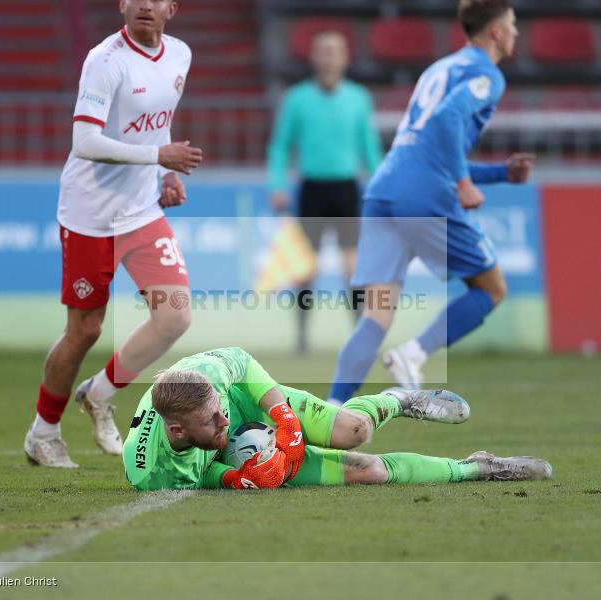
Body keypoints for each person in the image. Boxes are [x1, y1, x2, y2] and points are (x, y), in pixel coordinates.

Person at [24, 0, 203, 468]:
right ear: (122, 5)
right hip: (90, 215)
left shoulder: (180, 55)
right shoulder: (105, 60)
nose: (145, 4)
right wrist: (158, 158)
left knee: (174, 317)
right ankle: (43, 434)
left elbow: (156, 123)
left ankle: (99, 394)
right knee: (84, 331)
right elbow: (84, 141)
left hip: (141, 209)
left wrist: (162, 173)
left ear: (172, 9)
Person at [328, 0, 535, 403]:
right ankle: (414, 353)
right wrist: (461, 182)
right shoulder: (487, 75)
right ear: (495, 31)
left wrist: (499, 175)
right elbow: (448, 121)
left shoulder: (439, 68)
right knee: (491, 289)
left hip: (385, 191)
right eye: (512, 23)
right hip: (425, 198)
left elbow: (428, 147)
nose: (516, 32)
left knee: (376, 314)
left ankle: (330, 409)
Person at [123, 347, 552, 490]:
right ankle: (480, 466)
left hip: (251, 402)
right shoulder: (151, 473)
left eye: (220, 412)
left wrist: (285, 421)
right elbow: (200, 474)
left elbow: (242, 362)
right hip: (236, 460)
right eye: (212, 422)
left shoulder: (207, 379)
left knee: (354, 432)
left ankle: (398, 400)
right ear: (177, 431)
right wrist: (235, 478)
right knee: (371, 473)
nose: (223, 422)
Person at [266, 30, 383, 354]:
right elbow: (280, 146)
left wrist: (381, 184)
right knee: (306, 270)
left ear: (345, 57)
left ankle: (359, 339)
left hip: (346, 189)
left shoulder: (359, 98)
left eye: (336, 51)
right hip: (312, 189)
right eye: (324, 51)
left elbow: (369, 148)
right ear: (314, 58)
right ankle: (302, 339)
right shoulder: (296, 99)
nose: (330, 57)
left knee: (353, 268)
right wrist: (277, 185)